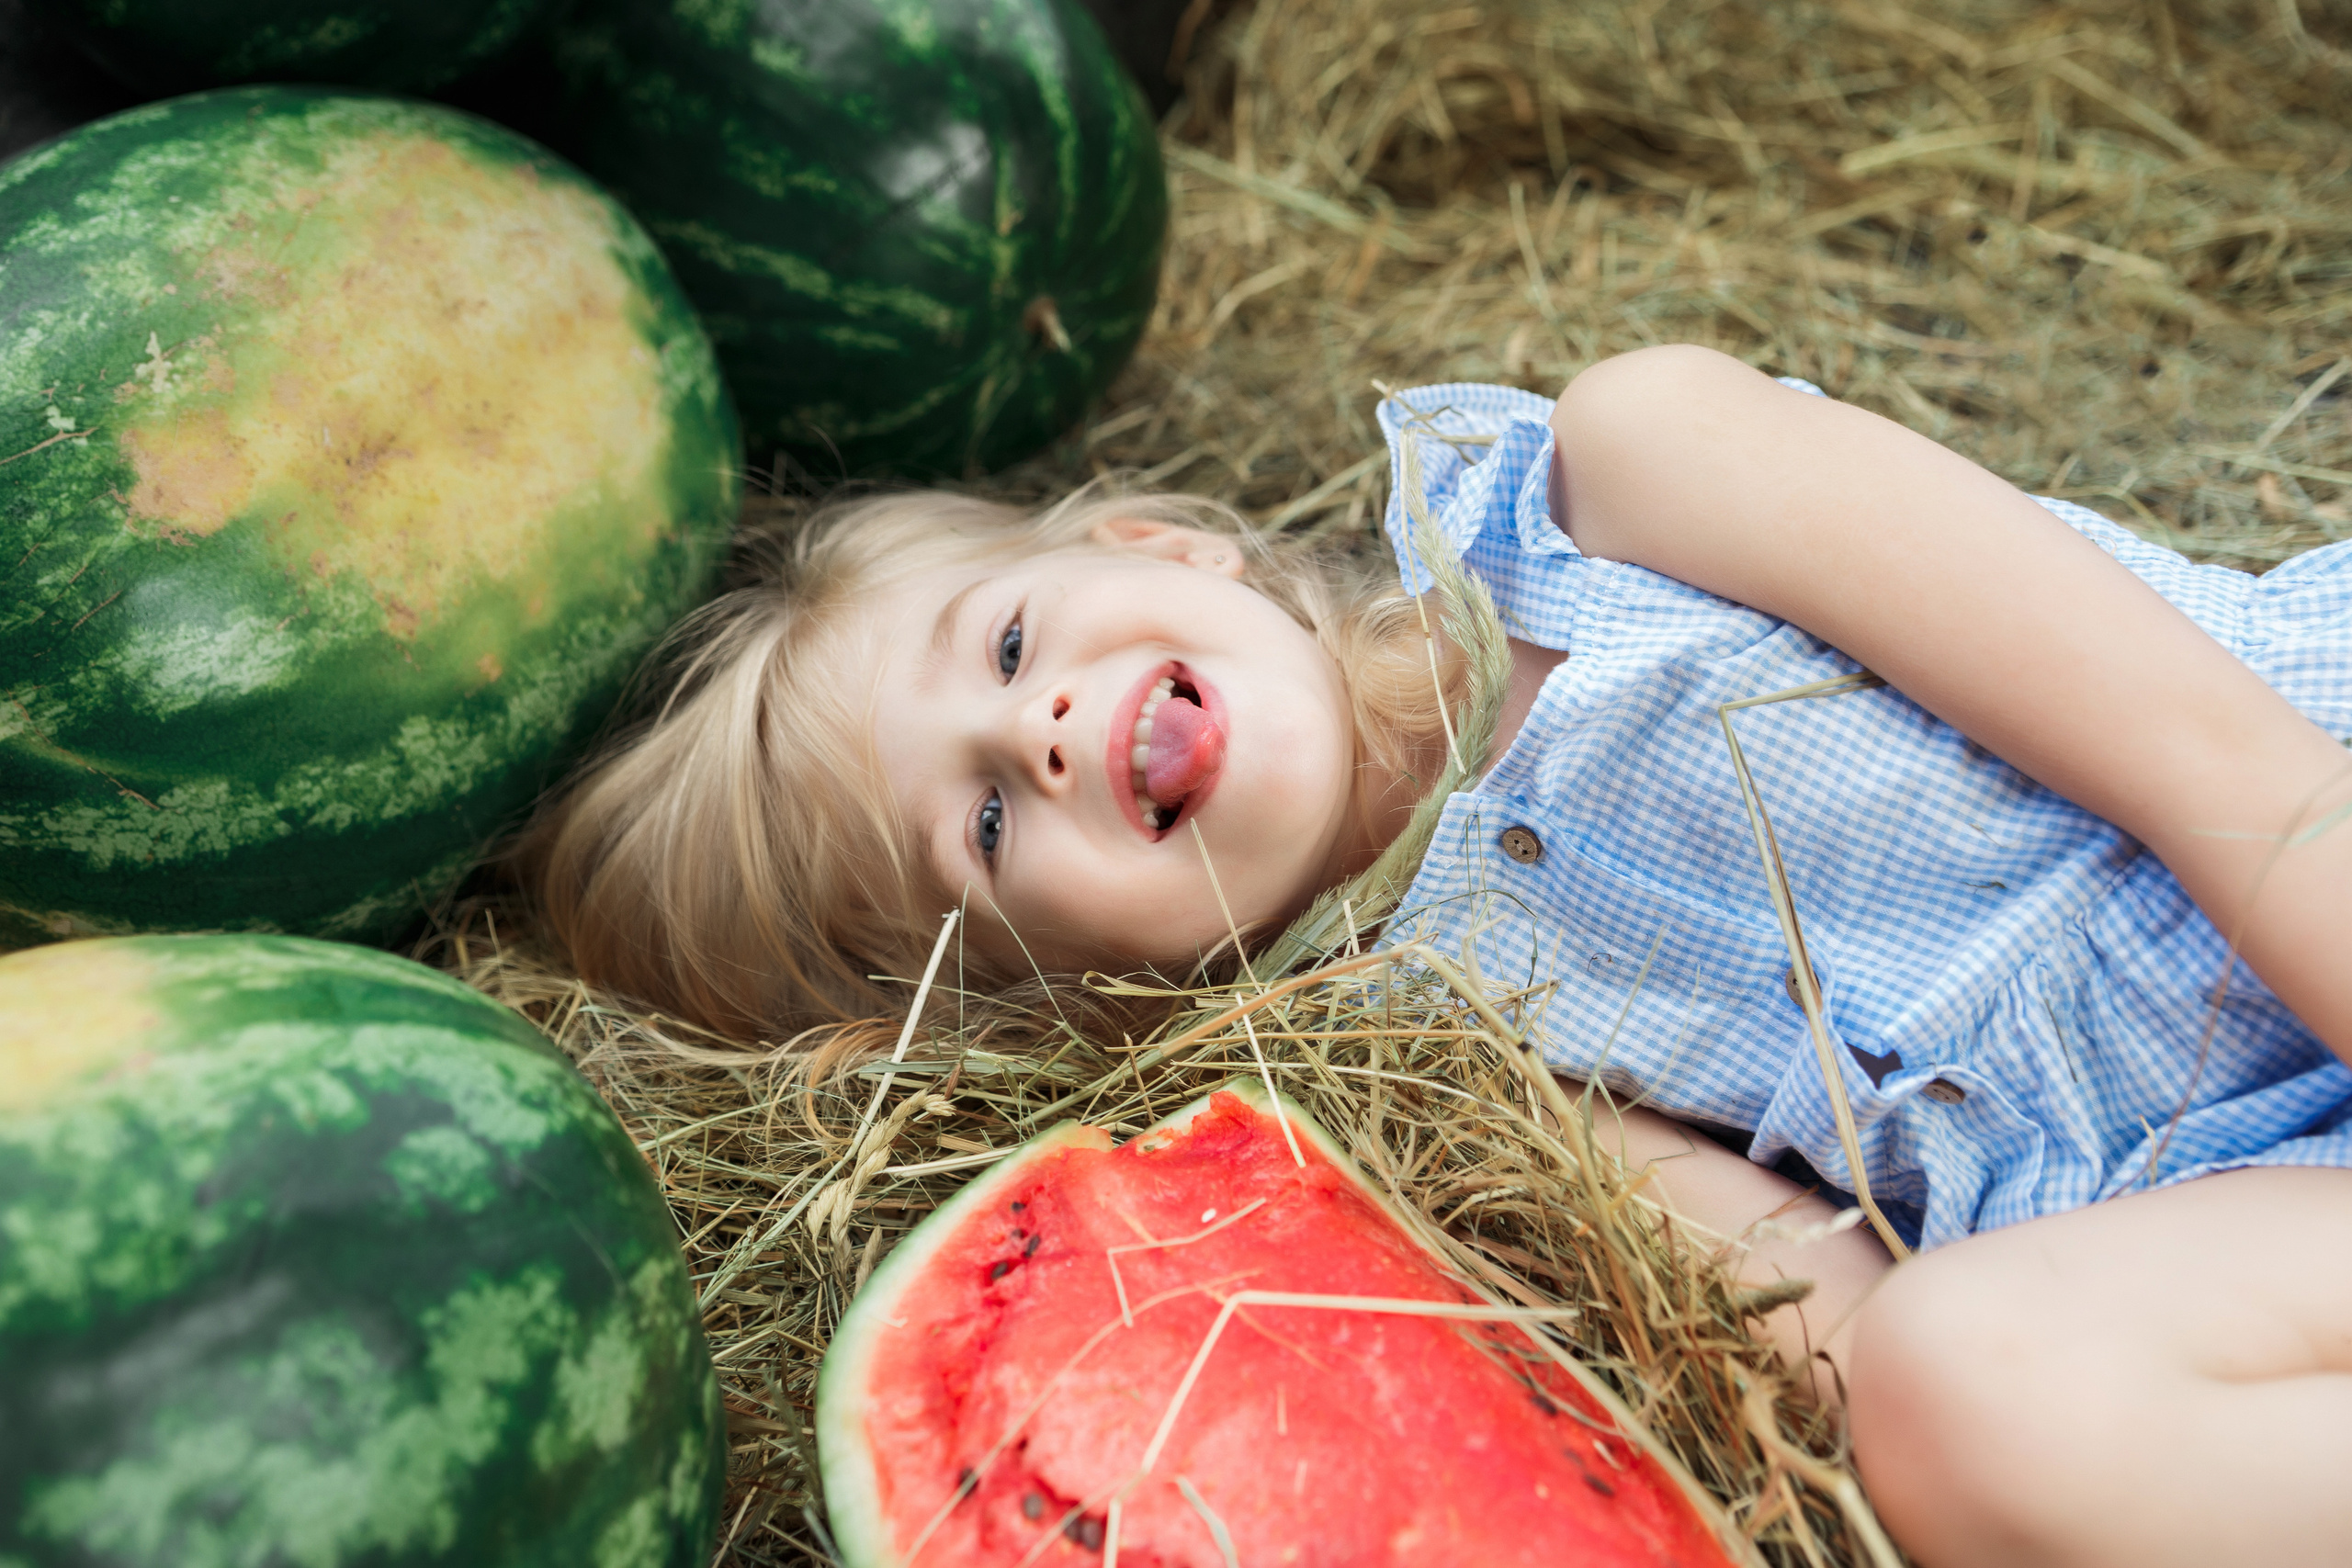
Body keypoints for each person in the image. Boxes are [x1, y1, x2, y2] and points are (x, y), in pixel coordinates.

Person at [526, 344, 2352, 1568]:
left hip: (2297, 811)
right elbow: (1834, 1316)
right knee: (1954, 1394)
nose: (1047, 733)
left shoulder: (1612, 493)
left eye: (1004, 646)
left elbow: (2212, 759)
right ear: (1081, 996)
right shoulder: (1439, 1060)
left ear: (1164, 545)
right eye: (984, 830)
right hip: (2227, 1203)